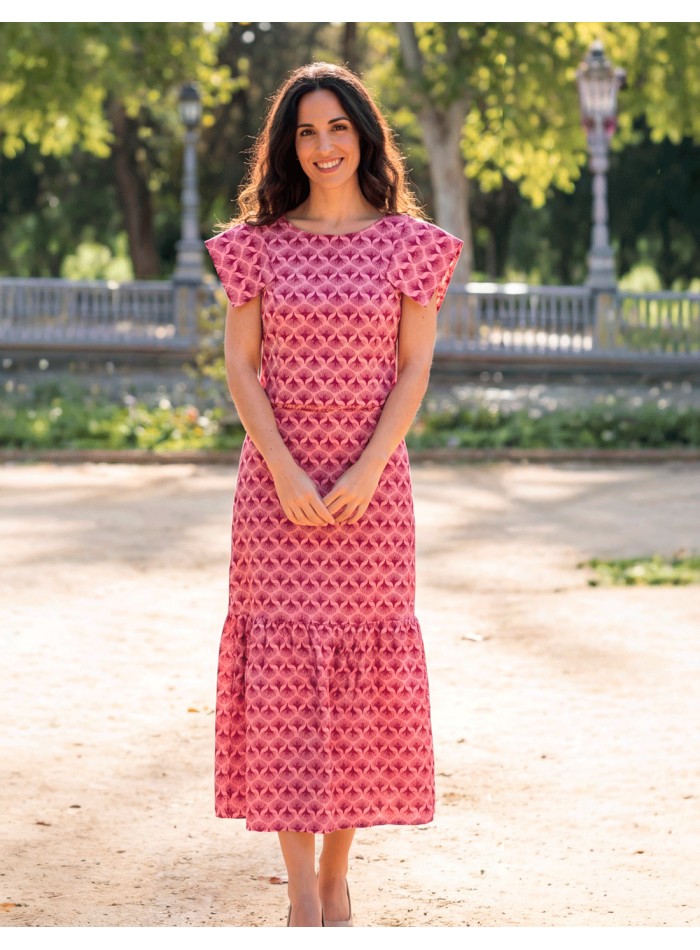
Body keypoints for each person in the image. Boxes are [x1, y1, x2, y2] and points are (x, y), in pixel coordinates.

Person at [204, 61, 463, 928]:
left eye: (338, 128)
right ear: (289, 143)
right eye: (306, 131)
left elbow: (414, 368)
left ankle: (339, 873)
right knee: (282, 677)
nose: (322, 147)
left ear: (364, 133)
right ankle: (301, 885)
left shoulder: (411, 245)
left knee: (356, 680)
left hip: (371, 488)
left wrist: (365, 470)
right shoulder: (256, 245)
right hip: (274, 489)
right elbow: (240, 367)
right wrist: (281, 466)